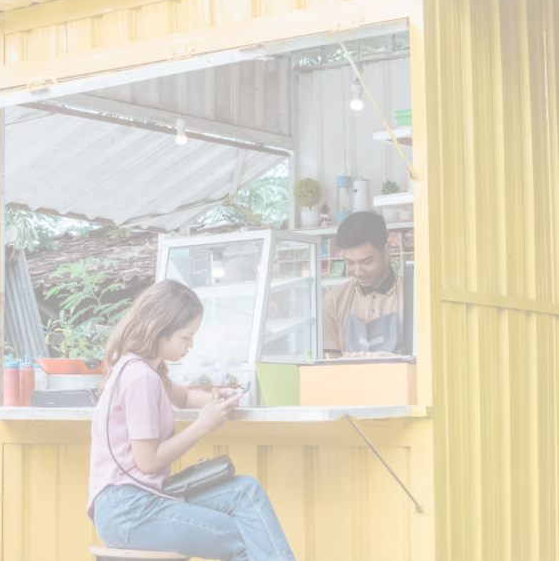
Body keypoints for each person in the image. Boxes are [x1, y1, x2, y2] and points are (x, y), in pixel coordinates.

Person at [87, 279, 295, 561]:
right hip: (130, 510)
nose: (191, 344)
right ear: (159, 331)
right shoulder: (140, 378)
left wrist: (219, 396)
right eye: (186, 337)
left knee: (246, 491)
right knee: (246, 538)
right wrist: (202, 426)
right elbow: (147, 462)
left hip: (141, 499)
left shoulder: (148, 369)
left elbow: (183, 398)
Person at [322, 211, 405, 358]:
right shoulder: (333, 303)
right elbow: (329, 365)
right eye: (350, 263)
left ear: (386, 251)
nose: (358, 272)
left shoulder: (415, 296)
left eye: (367, 262)